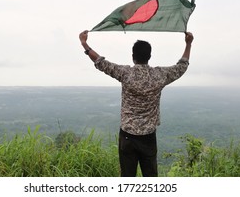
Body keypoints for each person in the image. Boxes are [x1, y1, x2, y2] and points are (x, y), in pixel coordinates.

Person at [79, 30, 194, 177]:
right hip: (148, 137)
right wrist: (188, 44)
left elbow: (100, 63)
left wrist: (84, 44)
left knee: (127, 178)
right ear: (149, 56)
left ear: (133, 57)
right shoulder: (159, 75)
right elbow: (182, 67)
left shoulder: (125, 73)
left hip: (127, 136)